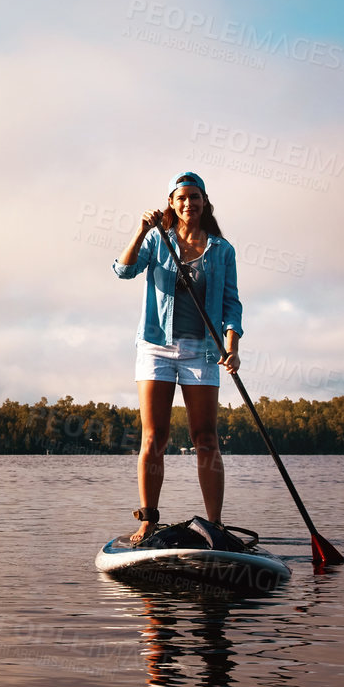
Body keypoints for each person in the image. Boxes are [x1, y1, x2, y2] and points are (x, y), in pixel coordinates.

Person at [112, 171, 242, 545]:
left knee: (206, 437)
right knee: (155, 437)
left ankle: (215, 526)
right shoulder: (156, 240)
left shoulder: (222, 250)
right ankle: (148, 521)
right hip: (155, 346)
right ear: (172, 202)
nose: (189, 203)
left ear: (205, 202)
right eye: (181, 197)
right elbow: (124, 270)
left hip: (202, 351)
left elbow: (232, 305)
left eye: (195, 197)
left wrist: (230, 346)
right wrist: (140, 231)